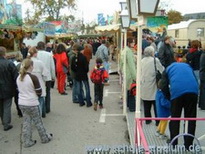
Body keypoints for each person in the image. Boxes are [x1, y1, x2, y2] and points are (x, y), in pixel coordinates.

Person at [160, 62, 198, 150]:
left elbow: (163, 86)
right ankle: (189, 145)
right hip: (193, 91)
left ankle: (174, 143)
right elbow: (195, 80)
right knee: (190, 119)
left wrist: (169, 97)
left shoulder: (167, 69)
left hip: (177, 92)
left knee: (175, 119)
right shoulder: (188, 66)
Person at [16, 58, 52, 148]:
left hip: (22, 103)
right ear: (31, 66)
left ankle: (27, 141)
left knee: (26, 122)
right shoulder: (33, 77)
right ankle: (44, 138)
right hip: (32, 103)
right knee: (38, 121)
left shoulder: (19, 77)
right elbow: (39, 92)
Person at [141, 46, 164, 125]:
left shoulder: (142, 61)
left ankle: (147, 119)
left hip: (144, 84)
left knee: (146, 103)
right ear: (152, 53)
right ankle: (157, 121)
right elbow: (162, 70)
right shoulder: (155, 60)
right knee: (155, 103)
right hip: (153, 83)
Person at [0, 46, 18, 131]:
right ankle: (6, 124)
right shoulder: (9, 63)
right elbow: (15, 76)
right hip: (8, 87)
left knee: (1, 106)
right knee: (7, 105)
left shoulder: (8, 63)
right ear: (4, 53)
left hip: (4, 87)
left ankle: (3, 120)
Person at [29, 47, 49, 117]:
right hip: (39, 82)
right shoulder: (39, 62)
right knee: (40, 99)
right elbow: (45, 73)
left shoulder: (26, 62)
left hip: (29, 83)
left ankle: (34, 115)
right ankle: (39, 115)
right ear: (35, 54)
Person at [71, 43, 92, 107]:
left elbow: (72, 68)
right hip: (84, 74)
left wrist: (76, 71)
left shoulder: (74, 58)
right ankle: (88, 102)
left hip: (77, 74)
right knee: (87, 88)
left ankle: (81, 102)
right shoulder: (83, 57)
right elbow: (86, 67)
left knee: (79, 88)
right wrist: (85, 71)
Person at [37, 41, 56, 113]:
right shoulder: (49, 55)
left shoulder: (35, 55)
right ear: (44, 47)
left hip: (37, 77)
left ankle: (40, 108)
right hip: (47, 76)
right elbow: (52, 66)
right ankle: (47, 108)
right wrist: (53, 76)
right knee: (47, 92)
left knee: (38, 93)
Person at [120, 38, 137, 112]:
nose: (134, 44)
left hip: (125, 72)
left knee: (127, 90)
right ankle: (132, 107)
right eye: (133, 43)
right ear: (129, 43)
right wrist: (135, 77)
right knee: (131, 91)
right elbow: (131, 65)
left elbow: (121, 63)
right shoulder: (129, 52)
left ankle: (127, 105)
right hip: (130, 74)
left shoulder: (124, 50)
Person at [13, 52, 23, 117]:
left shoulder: (12, 64)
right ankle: (22, 109)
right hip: (21, 82)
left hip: (14, 83)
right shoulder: (22, 64)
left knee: (16, 97)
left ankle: (18, 110)